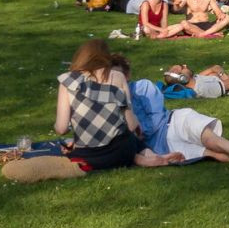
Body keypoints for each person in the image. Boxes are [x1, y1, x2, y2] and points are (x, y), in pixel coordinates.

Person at [54, 41, 186, 172]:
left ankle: (144, 158)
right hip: (121, 153)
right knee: (130, 138)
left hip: (87, 157)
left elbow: (61, 129)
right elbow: (131, 124)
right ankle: (150, 156)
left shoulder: (67, 81)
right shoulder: (117, 76)